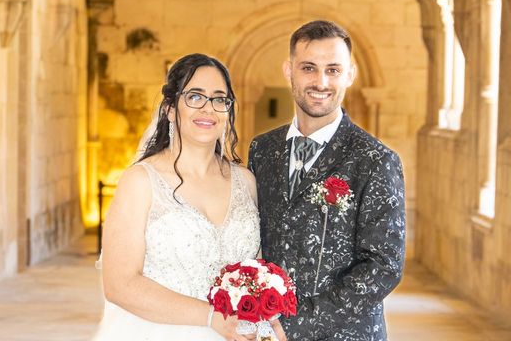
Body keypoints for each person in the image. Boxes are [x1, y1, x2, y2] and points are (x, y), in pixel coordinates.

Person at [93, 53, 286, 341]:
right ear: (170, 108)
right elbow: (119, 284)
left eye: (220, 99)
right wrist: (210, 318)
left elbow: (256, 269)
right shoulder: (141, 182)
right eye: (195, 97)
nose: (208, 109)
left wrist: (267, 316)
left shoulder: (245, 182)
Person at [248, 20, 405, 340]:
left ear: (350, 74)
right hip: (267, 331)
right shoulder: (262, 150)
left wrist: (294, 323)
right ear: (288, 71)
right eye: (308, 67)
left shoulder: (376, 160)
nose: (321, 81)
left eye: (333, 69)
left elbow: (383, 267)